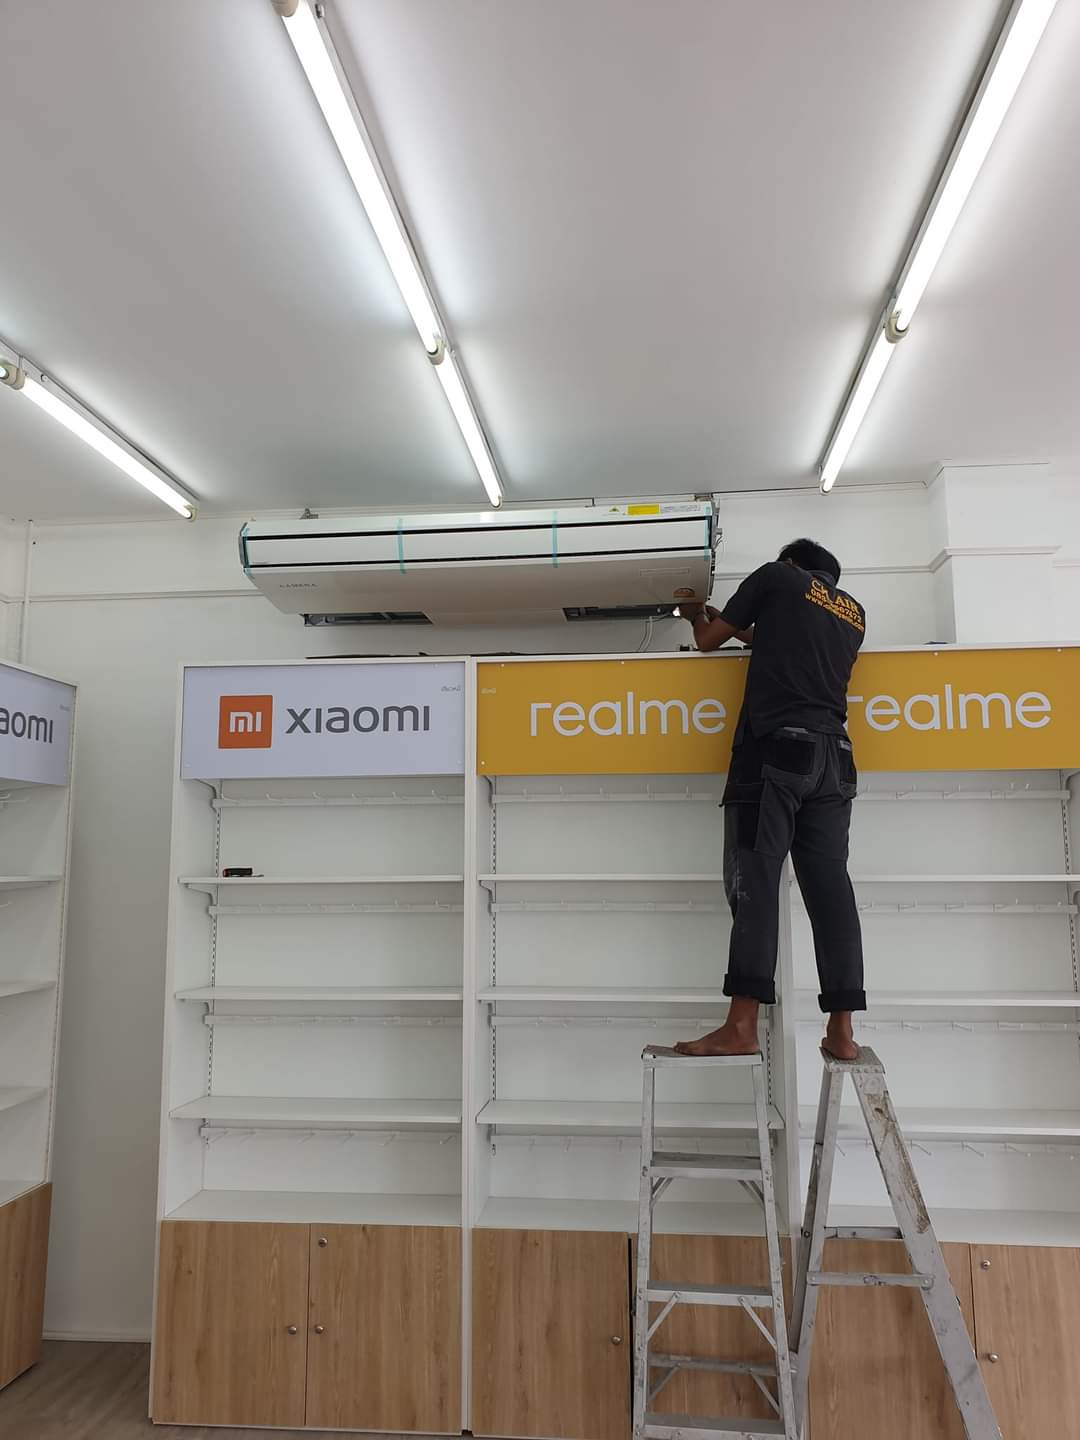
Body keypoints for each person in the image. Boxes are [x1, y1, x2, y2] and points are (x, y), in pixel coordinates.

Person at [674, 539, 866, 1061]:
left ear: (791, 562)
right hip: (835, 759)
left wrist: (697, 616)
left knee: (754, 883)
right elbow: (774, 639)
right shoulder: (852, 612)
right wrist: (740, 626)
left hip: (776, 753)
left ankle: (741, 1025)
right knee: (831, 891)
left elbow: (708, 641)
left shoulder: (777, 576)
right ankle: (842, 1031)